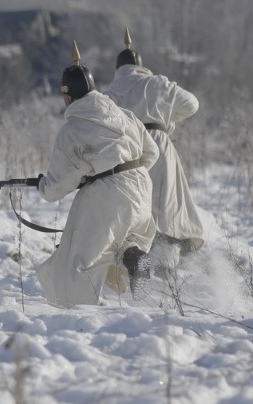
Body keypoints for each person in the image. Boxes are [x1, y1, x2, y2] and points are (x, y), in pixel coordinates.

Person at [35, 43, 160, 307]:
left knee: (78, 263)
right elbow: (152, 153)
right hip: (141, 188)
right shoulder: (124, 115)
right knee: (120, 242)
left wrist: (42, 186)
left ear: (67, 96)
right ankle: (134, 257)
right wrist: (120, 173)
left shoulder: (72, 130)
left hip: (110, 194)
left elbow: (58, 186)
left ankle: (82, 316)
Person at [104, 28, 205, 259]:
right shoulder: (158, 84)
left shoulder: (109, 95)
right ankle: (174, 249)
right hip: (158, 144)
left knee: (138, 205)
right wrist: (168, 118)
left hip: (128, 150)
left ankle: (144, 253)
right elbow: (192, 104)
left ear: (118, 69)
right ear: (140, 65)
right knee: (166, 204)